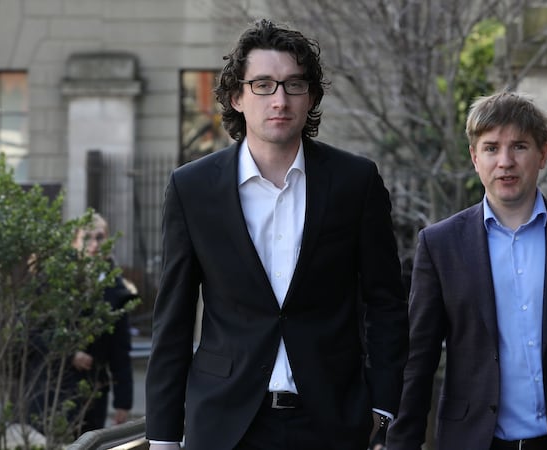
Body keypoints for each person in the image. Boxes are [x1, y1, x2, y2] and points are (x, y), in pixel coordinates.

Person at [145, 19, 408, 450]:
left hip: (332, 420)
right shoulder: (191, 189)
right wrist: (162, 435)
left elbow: (386, 301)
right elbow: (171, 319)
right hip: (225, 424)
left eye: (294, 85)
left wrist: (382, 405)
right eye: (263, 84)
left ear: (311, 98)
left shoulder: (354, 182)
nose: (280, 100)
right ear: (237, 97)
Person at [385, 91, 547, 450]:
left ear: (543, 154)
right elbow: (418, 359)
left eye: (519, 147)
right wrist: (401, 441)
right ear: (474, 158)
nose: (505, 161)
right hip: (474, 440)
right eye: (492, 148)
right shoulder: (440, 245)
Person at [28, 213, 136, 435]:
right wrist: (69, 354)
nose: (94, 245)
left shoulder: (116, 288)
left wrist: (123, 400)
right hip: (52, 387)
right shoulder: (53, 281)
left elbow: (120, 348)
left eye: (100, 237)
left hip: (93, 392)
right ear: (75, 241)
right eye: (87, 238)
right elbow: (33, 331)